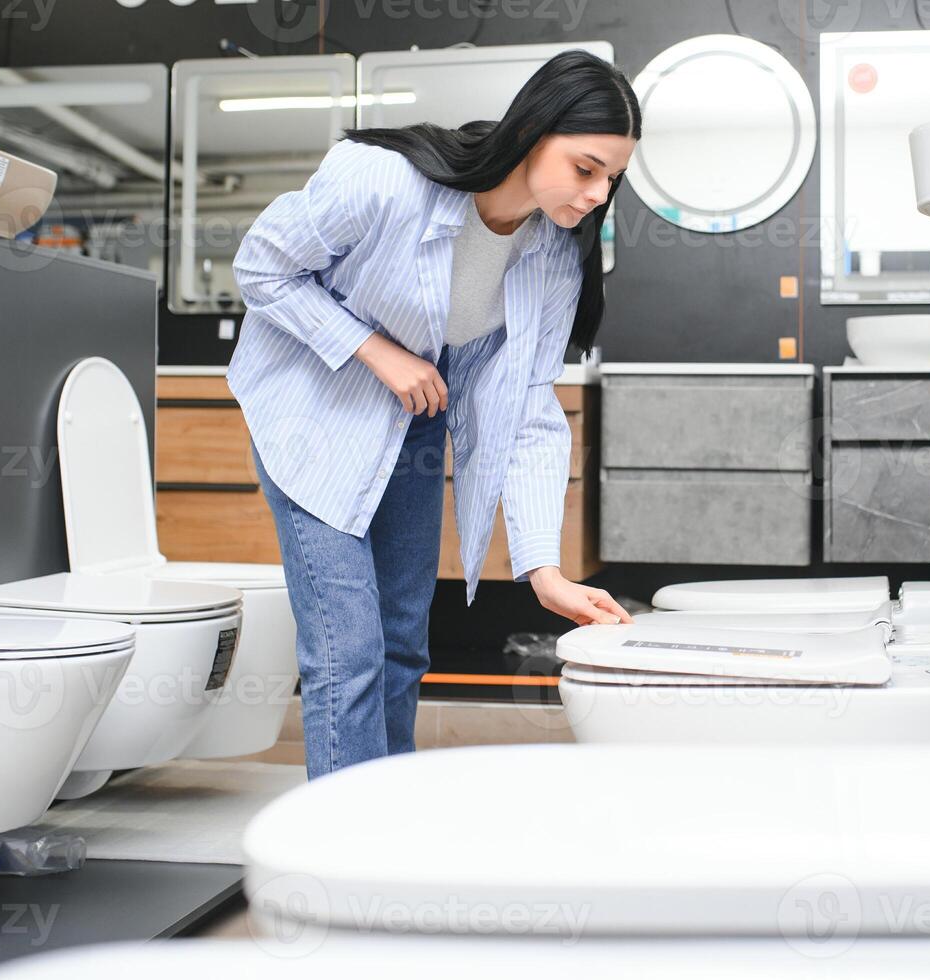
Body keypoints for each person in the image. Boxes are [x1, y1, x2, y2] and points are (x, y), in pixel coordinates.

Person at [228, 51, 640, 778]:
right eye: (585, 168)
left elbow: (527, 407)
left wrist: (543, 570)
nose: (597, 194)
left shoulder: (550, 252)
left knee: (399, 642)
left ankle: (387, 817)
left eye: (611, 178)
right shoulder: (382, 181)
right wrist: (373, 349)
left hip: (413, 420)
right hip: (312, 414)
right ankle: (341, 852)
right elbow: (262, 266)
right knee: (347, 649)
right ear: (534, 131)